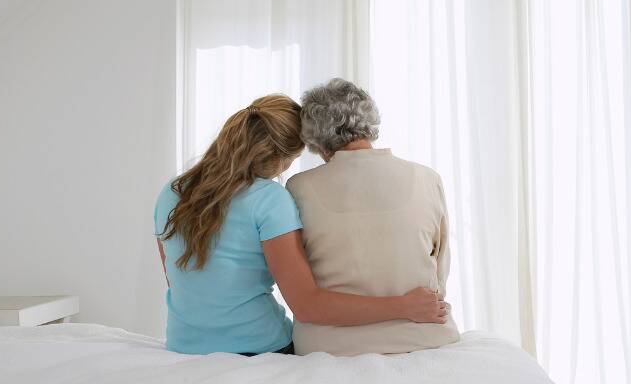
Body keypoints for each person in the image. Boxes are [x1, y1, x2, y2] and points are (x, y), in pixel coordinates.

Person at [154, 93, 448, 355]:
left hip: (183, 344)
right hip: (258, 347)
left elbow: (178, 279)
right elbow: (307, 305)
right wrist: (405, 306)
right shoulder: (270, 199)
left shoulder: (171, 192)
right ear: (281, 157)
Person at [286, 78, 461, 356]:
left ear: (313, 137)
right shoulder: (427, 178)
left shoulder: (298, 187)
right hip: (422, 335)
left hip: (330, 347)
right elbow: (439, 270)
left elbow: (300, 284)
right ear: (371, 121)